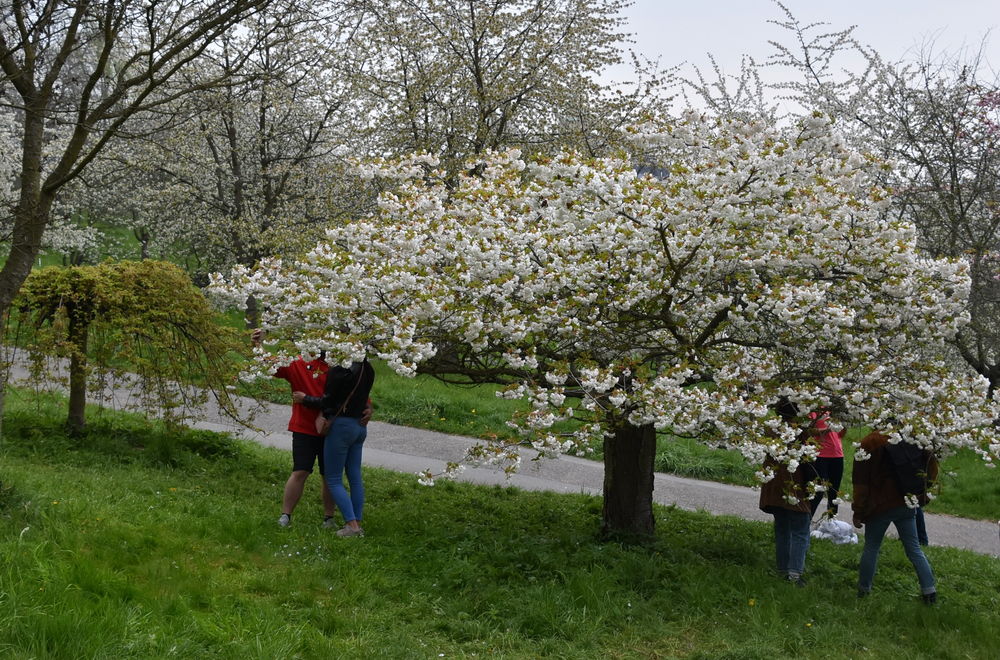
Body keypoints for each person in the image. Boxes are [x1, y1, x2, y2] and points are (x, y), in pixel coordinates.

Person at [251, 329, 370, 529]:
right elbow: (272, 366)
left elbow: (351, 393)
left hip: (330, 428)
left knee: (325, 474)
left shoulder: (339, 367)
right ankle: (288, 515)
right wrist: (258, 347)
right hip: (310, 427)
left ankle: (326, 518)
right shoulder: (301, 363)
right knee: (304, 471)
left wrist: (367, 406)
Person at [852, 429, 939, 603]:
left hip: (879, 503)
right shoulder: (912, 436)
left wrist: (858, 511)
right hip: (906, 501)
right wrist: (926, 489)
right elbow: (932, 463)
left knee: (871, 547)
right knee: (914, 549)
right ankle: (929, 591)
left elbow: (861, 483)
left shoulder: (869, 442)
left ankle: (863, 590)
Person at [759, 399, 816, 587]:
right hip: (794, 486)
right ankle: (794, 574)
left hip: (774, 486)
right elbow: (811, 459)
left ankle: (783, 569)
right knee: (800, 529)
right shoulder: (801, 432)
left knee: (782, 528)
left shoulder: (769, 429)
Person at [317, 355, 376, 538]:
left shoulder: (340, 368)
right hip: (359, 425)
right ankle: (356, 523)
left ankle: (352, 526)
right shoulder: (367, 367)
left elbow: (328, 399)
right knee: (355, 477)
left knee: (333, 478)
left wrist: (311, 403)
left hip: (341, 425)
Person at [809, 410, 845, 519]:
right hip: (821, 455)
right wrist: (829, 429)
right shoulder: (813, 413)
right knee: (818, 491)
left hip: (837, 454)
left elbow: (841, 435)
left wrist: (844, 426)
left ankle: (832, 521)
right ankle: (806, 520)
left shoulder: (831, 412)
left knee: (834, 491)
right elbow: (811, 431)